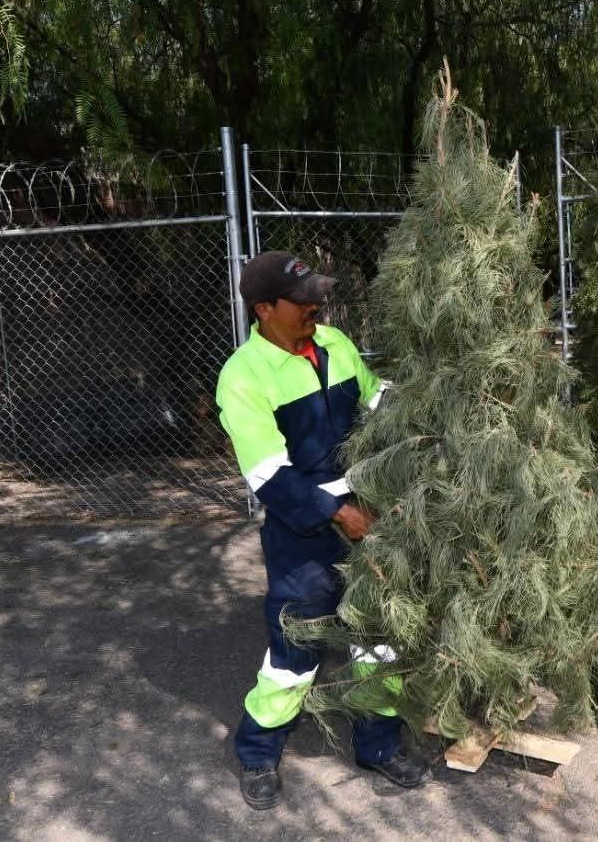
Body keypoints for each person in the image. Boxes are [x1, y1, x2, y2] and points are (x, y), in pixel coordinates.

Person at [216, 250, 430, 810]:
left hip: (368, 512)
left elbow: (375, 400)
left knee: (377, 637)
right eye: (301, 301)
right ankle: (258, 750)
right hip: (303, 530)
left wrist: (429, 400)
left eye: (316, 297)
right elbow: (269, 474)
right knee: (298, 644)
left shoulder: (335, 345)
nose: (316, 307)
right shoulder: (243, 376)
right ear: (264, 309)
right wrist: (341, 513)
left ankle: (379, 747)